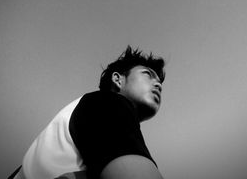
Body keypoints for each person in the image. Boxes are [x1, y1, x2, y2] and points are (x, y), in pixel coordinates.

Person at [9, 46, 166, 179]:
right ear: (118, 79)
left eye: (159, 82)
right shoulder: (108, 103)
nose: (158, 84)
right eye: (148, 74)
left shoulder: (78, 116)